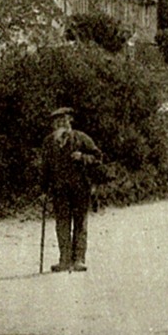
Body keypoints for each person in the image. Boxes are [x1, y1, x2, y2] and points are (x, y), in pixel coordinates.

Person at [38, 106, 103, 272]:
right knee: (62, 223)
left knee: (80, 223)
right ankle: (64, 260)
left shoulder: (81, 138)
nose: (60, 124)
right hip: (59, 190)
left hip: (81, 188)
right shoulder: (49, 143)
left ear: (70, 121)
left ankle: (79, 259)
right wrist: (43, 191)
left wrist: (82, 157)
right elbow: (45, 168)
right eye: (57, 121)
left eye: (64, 120)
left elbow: (98, 157)